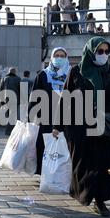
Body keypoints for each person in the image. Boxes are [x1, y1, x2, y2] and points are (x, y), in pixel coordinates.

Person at [52, 37, 110, 217]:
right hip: (80, 126)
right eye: (100, 51)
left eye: (106, 51)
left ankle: (101, 200)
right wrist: (58, 125)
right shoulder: (76, 72)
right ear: (90, 51)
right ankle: (85, 193)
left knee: (107, 162)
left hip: (107, 126)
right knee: (85, 162)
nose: (103, 55)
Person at [29, 47, 71, 176]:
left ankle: (63, 174)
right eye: (56, 55)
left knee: (65, 147)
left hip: (67, 119)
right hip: (46, 118)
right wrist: (32, 117)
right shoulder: (43, 75)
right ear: (52, 58)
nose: (59, 58)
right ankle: (45, 174)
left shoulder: (72, 74)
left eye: (62, 56)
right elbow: (35, 97)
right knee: (45, 146)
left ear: (66, 58)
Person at [0, 68, 21, 135]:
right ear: (15, 72)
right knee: (13, 115)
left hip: (6, 100)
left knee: (8, 115)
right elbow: (21, 90)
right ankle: (10, 131)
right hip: (15, 99)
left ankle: (9, 131)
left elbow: (1, 90)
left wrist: (1, 101)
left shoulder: (4, 78)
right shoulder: (18, 79)